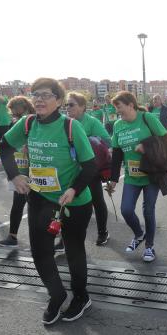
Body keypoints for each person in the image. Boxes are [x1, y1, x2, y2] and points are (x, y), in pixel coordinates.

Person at [0, 78, 96, 324]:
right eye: (35, 94)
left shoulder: (71, 127)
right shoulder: (28, 123)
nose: (39, 99)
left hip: (73, 201)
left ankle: (81, 297)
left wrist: (74, 189)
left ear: (59, 101)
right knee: (40, 252)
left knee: (74, 251)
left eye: (46, 94)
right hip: (41, 198)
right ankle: (56, 295)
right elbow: (4, 147)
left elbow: (90, 166)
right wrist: (14, 175)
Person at [106, 91, 167, 263]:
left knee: (148, 210)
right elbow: (117, 154)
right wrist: (113, 179)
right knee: (126, 209)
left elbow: (166, 140)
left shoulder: (147, 118)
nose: (117, 111)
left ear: (131, 105)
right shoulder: (118, 125)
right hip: (132, 176)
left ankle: (149, 246)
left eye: (119, 107)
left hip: (151, 174)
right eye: (115, 108)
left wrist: (146, 145)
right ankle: (139, 234)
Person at [66, 91, 110, 246]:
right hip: (70, 170)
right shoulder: (64, 123)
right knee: (66, 202)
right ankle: (64, 237)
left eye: (71, 104)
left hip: (89, 170)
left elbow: (107, 141)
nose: (67, 108)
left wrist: (88, 141)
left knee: (97, 201)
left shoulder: (91, 122)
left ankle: (102, 232)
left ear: (83, 106)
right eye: (66, 104)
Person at [0, 96, 34, 248]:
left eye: (13, 109)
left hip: (37, 168)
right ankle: (12, 236)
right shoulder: (16, 121)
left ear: (21, 107)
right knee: (19, 202)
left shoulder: (33, 120)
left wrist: (27, 145)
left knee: (41, 205)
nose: (11, 112)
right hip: (21, 167)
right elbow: (7, 144)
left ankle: (59, 239)